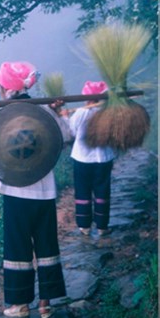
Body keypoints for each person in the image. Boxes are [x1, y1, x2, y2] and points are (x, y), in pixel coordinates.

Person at [0, 61, 70, 318]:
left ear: (3, 87)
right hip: (44, 191)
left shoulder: (0, 114)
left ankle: (19, 304)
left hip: (15, 191)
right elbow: (65, 136)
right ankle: (46, 304)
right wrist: (60, 113)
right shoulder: (43, 109)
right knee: (46, 243)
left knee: (17, 246)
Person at [68, 80, 116, 237]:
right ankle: (102, 227)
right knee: (102, 191)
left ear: (87, 98)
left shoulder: (81, 113)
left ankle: (84, 227)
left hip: (82, 158)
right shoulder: (109, 112)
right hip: (104, 158)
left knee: (82, 191)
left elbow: (73, 131)